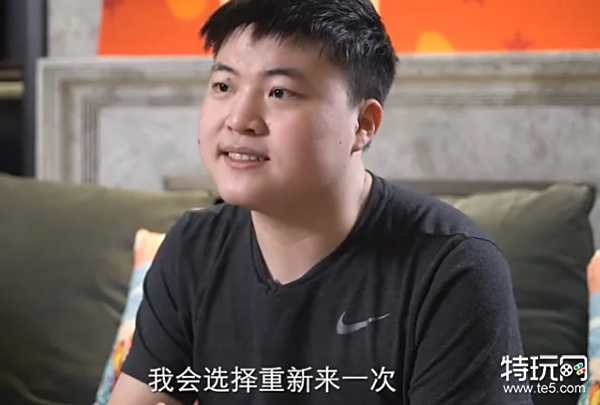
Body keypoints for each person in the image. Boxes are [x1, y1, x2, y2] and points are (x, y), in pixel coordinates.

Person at [108, 0, 531, 403]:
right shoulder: (193, 248)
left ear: (363, 124)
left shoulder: (452, 268)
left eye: (280, 92)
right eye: (223, 86)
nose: (239, 119)